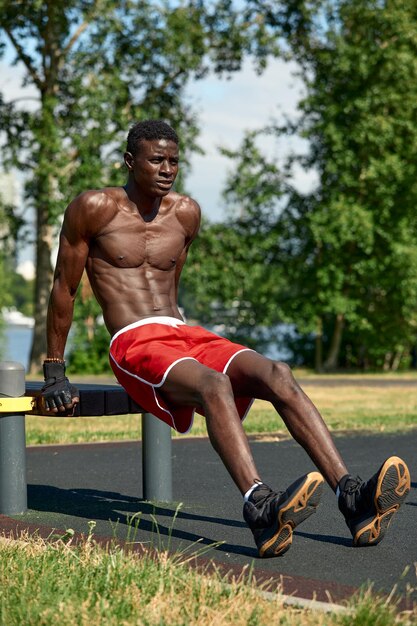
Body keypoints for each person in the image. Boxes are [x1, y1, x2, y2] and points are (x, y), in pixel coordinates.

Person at [41, 119, 410, 558]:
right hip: (134, 341)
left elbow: (170, 288)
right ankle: (258, 506)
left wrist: (184, 335)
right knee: (213, 383)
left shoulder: (186, 213)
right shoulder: (94, 207)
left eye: (174, 161)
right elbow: (64, 288)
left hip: (183, 333)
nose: (167, 169)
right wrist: (54, 371)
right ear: (129, 161)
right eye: (156, 160)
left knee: (277, 373)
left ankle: (351, 498)